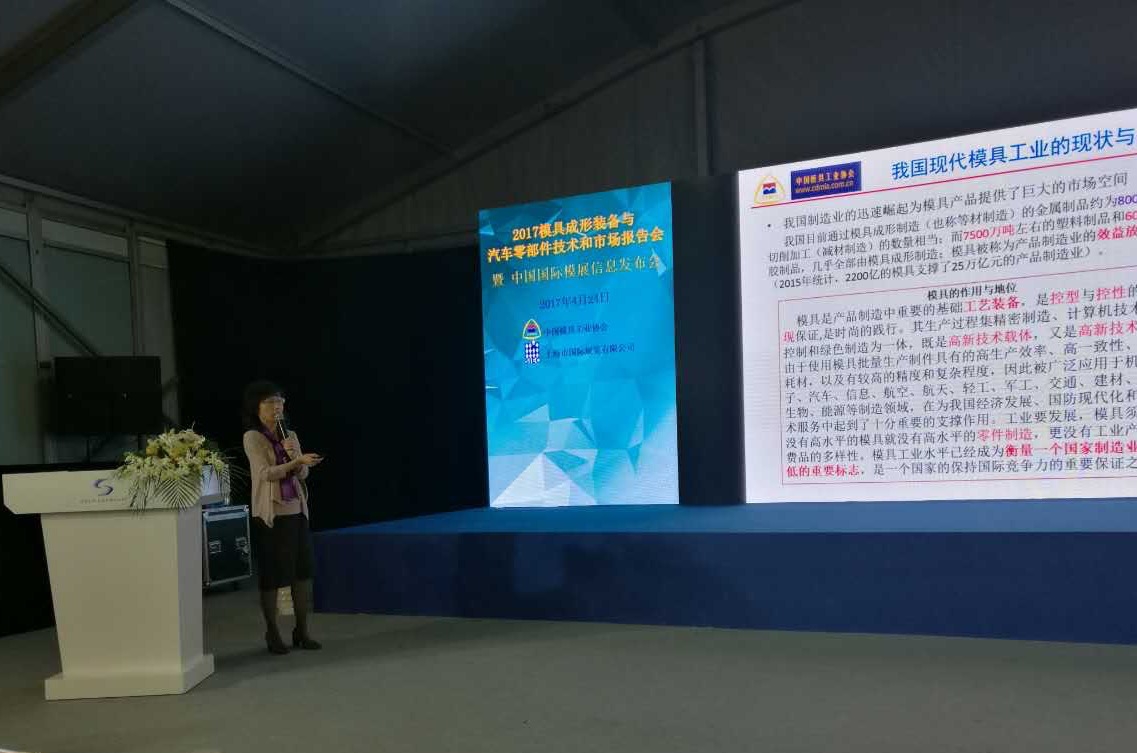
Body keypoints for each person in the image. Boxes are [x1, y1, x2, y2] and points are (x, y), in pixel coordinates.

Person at [241, 380, 324, 655]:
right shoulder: (253, 437)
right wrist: (294, 462)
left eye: (280, 401)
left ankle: (302, 630)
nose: (276, 406)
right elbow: (265, 474)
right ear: (256, 407)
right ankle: (272, 631)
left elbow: (303, 474)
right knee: (273, 574)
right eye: (270, 402)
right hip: (271, 514)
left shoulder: (291, 435)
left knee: (302, 573)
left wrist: (298, 461)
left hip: (297, 511)